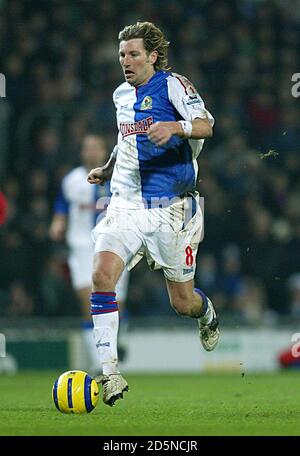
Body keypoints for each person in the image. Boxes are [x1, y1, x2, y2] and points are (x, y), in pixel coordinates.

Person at [87, 21, 219, 406]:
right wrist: (109, 169)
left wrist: (175, 128)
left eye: (133, 54)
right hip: (125, 204)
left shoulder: (174, 84)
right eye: (122, 56)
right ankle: (109, 371)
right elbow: (124, 137)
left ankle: (206, 312)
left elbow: (207, 126)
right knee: (101, 274)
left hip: (170, 209)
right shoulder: (120, 95)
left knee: (182, 303)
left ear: (153, 56)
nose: (126, 62)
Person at [49, 134, 130, 372]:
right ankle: (100, 364)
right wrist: (58, 222)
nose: (92, 152)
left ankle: (116, 343)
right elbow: (62, 205)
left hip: (114, 244)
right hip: (82, 247)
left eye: (96, 147)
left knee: (117, 306)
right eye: (88, 147)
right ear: (82, 152)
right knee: (89, 305)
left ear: (105, 150)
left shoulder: (120, 177)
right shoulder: (72, 180)